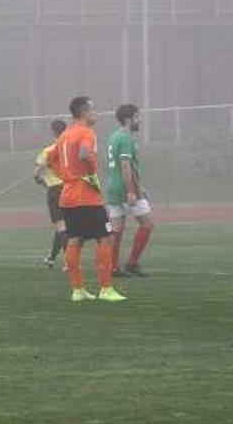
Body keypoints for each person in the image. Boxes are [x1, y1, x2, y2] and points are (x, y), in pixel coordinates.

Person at [47, 97, 125, 302]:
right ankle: (106, 289)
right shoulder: (86, 132)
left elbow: (50, 158)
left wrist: (65, 175)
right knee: (105, 238)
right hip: (86, 196)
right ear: (84, 112)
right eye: (93, 110)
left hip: (68, 197)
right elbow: (84, 154)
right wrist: (90, 173)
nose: (96, 113)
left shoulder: (64, 135)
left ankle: (77, 290)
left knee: (75, 239)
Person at [106, 104, 154, 277]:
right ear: (129, 119)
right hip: (125, 188)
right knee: (147, 223)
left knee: (116, 229)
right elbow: (125, 165)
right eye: (137, 117)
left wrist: (139, 186)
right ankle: (132, 263)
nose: (139, 120)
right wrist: (132, 191)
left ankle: (112, 267)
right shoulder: (126, 138)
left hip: (113, 188)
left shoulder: (114, 136)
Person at [33, 119, 67, 268]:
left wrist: (42, 181)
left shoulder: (49, 151)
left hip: (55, 189)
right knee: (64, 227)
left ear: (53, 131)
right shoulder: (70, 149)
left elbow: (36, 174)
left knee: (61, 226)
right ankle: (52, 258)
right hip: (70, 189)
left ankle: (69, 262)